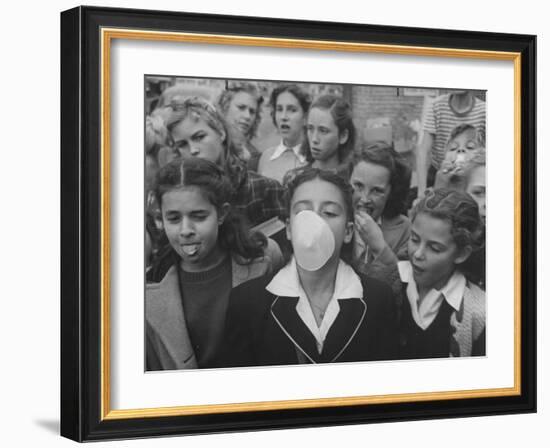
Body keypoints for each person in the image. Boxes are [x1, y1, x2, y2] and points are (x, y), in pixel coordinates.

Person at [220, 168, 398, 367]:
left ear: (348, 231)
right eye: (304, 211)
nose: (315, 222)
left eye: (329, 212)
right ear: (288, 228)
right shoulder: (246, 303)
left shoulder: (378, 299)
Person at [146, 157, 284, 371]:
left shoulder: (264, 258)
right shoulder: (150, 289)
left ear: (222, 213)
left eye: (199, 216)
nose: (185, 230)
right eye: (173, 219)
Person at [147, 96, 288, 282]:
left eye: (199, 137)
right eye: (183, 144)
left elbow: (285, 259)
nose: (193, 150)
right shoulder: (176, 198)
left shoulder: (263, 189)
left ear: (220, 132)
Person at [397, 188, 486, 359]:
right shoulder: (389, 283)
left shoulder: (478, 313)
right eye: (414, 239)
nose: (417, 254)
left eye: (434, 248)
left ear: (461, 254)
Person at [349, 142, 412, 295]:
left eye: (377, 191)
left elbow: (403, 290)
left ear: (392, 191)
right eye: (358, 186)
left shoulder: (405, 229)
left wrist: (380, 247)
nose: (364, 199)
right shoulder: (335, 219)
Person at [416, 90, 486, 195]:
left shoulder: (484, 110)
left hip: (470, 176)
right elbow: (423, 151)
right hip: (438, 172)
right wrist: (421, 192)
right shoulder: (436, 106)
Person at [258, 84, 310, 183]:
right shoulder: (266, 157)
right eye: (279, 109)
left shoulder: (313, 159)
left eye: (292, 110)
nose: (284, 117)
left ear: (305, 117)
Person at [305, 94, 356, 178]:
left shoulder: (354, 180)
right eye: (310, 129)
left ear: (343, 136)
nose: (314, 139)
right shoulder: (295, 178)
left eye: (323, 131)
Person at [217, 81, 264, 171]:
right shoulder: (209, 144)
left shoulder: (255, 158)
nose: (247, 116)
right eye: (241, 108)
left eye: (252, 112)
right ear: (225, 106)